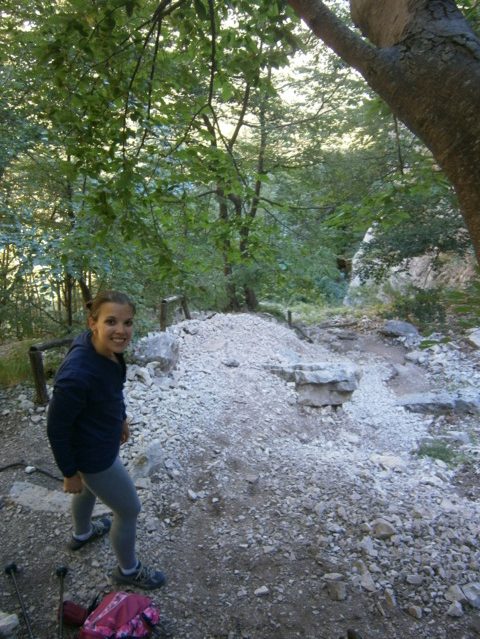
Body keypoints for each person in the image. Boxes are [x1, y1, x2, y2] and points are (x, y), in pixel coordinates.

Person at [47, 290, 166, 590]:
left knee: (88, 491)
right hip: (94, 456)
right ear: (93, 323)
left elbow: (112, 390)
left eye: (127, 322)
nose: (121, 331)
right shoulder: (77, 375)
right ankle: (128, 570)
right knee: (129, 509)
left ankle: (82, 534)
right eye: (111, 321)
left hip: (100, 440)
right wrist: (69, 472)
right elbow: (57, 428)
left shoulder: (106, 349)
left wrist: (120, 418)